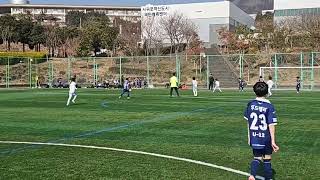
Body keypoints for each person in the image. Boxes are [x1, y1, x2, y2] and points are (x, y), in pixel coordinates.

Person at [244, 81, 279, 180]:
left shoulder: (250, 104)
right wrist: (273, 140)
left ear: (254, 92)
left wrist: (249, 137)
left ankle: (252, 175)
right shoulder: (269, 106)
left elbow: (248, 121)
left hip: (254, 137)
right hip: (266, 138)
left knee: (257, 158)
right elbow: (271, 124)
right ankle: (269, 178)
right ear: (267, 92)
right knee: (267, 158)